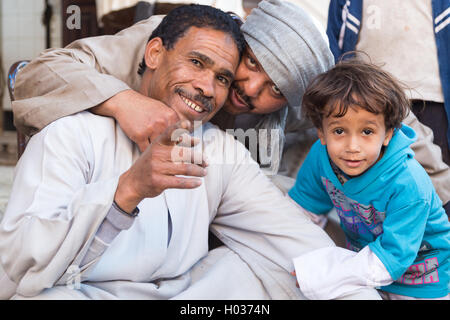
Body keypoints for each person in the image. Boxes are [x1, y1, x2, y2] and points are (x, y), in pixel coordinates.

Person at [0, 4, 380, 300]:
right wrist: (126, 188)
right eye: (197, 63)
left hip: (187, 293)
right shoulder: (72, 132)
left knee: (273, 270)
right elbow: (18, 268)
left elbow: (298, 244)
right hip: (81, 289)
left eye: (222, 78)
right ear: (153, 53)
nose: (210, 88)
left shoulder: (222, 151)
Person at [289, 59, 450, 300]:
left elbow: (391, 260)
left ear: (388, 134)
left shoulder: (408, 182)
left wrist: (320, 272)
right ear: (321, 132)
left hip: (422, 280)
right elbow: (301, 212)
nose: (352, 147)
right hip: (363, 262)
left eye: (367, 132)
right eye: (339, 131)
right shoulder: (321, 157)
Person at [326, 0, 450, 217]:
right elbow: (334, 42)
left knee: (435, 180)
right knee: (372, 180)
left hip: (433, 98)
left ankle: (438, 241)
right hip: (368, 99)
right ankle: (379, 241)